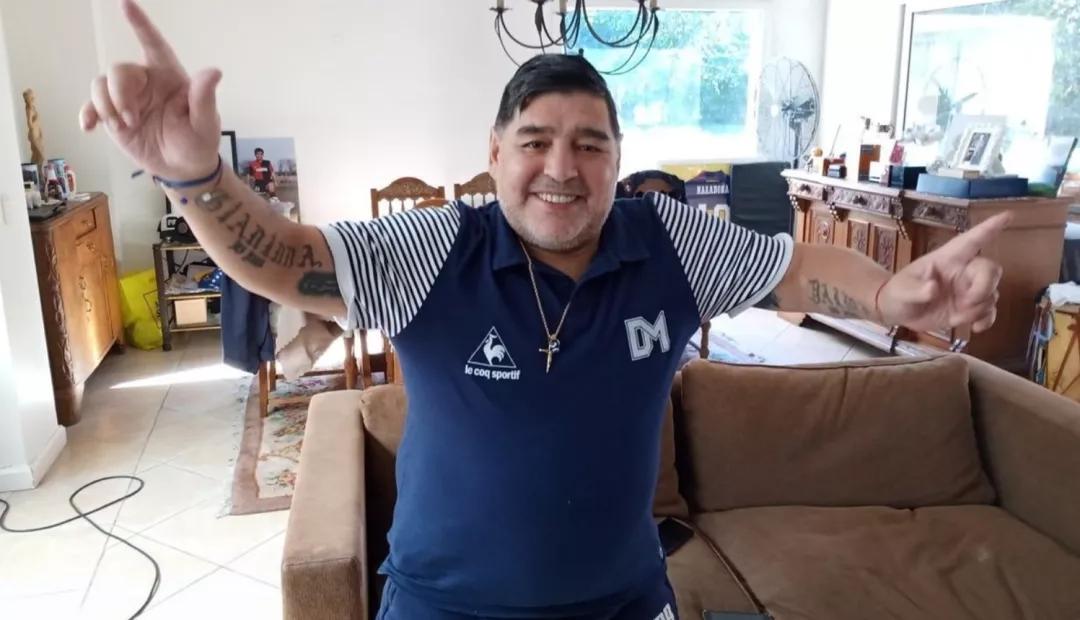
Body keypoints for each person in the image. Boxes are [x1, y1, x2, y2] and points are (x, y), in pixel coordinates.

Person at [81, 2, 1008, 617]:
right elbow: (290, 264)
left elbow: (798, 266)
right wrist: (194, 177)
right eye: (535, 141)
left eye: (589, 145)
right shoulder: (431, 248)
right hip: (444, 606)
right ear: (495, 152)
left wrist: (887, 293)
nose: (562, 168)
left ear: (617, 157)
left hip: (626, 602)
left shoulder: (671, 242)